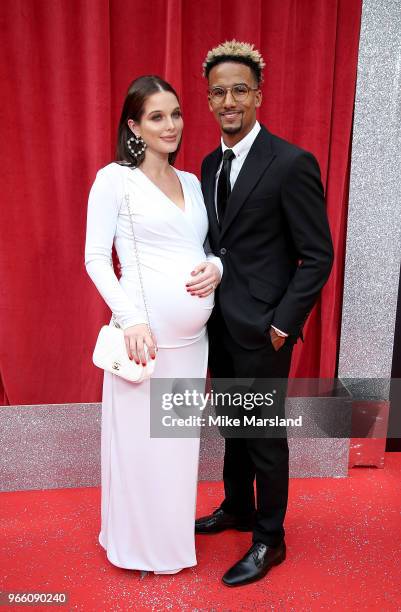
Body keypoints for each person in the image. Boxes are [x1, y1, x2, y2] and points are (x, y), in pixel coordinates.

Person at [189, 40, 334, 587]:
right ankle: (237, 507)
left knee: (264, 436)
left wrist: (283, 324)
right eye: (218, 92)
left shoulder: (291, 162)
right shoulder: (208, 163)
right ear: (209, 100)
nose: (229, 100)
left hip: (265, 330)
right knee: (233, 427)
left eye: (239, 90)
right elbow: (220, 245)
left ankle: (270, 538)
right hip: (219, 325)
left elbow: (317, 255)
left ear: (258, 96)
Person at [84, 75, 222, 574]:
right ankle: (135, 546)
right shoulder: (114, 179)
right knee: (141, 448)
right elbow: (97, 258)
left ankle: (169, 544)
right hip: (145, 341)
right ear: (134, 125)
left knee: (176, 448)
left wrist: (217, 268)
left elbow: (207, 249)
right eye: (157, 116)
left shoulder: (191, 183)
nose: (171, 125)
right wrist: (132, 319)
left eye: (177, 114)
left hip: (192, 342)